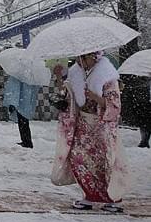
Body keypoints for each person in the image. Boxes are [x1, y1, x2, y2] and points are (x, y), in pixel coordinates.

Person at [51, 52, 132, 212]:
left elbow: (114, 104)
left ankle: (113, 197)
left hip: (101, 125)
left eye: (83, 58)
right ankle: (89, 195)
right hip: (83, 124)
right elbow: (68, 95)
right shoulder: (76, 73)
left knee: (106, 161)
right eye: (79, 58)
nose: (80, 62)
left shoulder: (107, 74)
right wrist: (60, 78)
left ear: (93, 57)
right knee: (80, 159)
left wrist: (96, 97)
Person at [3, 75, 39, 148]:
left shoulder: (17, 75)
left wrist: (12, 103)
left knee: (22, 123)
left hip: (20, 103)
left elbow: (14, 90)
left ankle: (26, 142)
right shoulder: (30, 76)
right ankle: (26, 141)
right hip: (26, 103)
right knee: (24, 122)